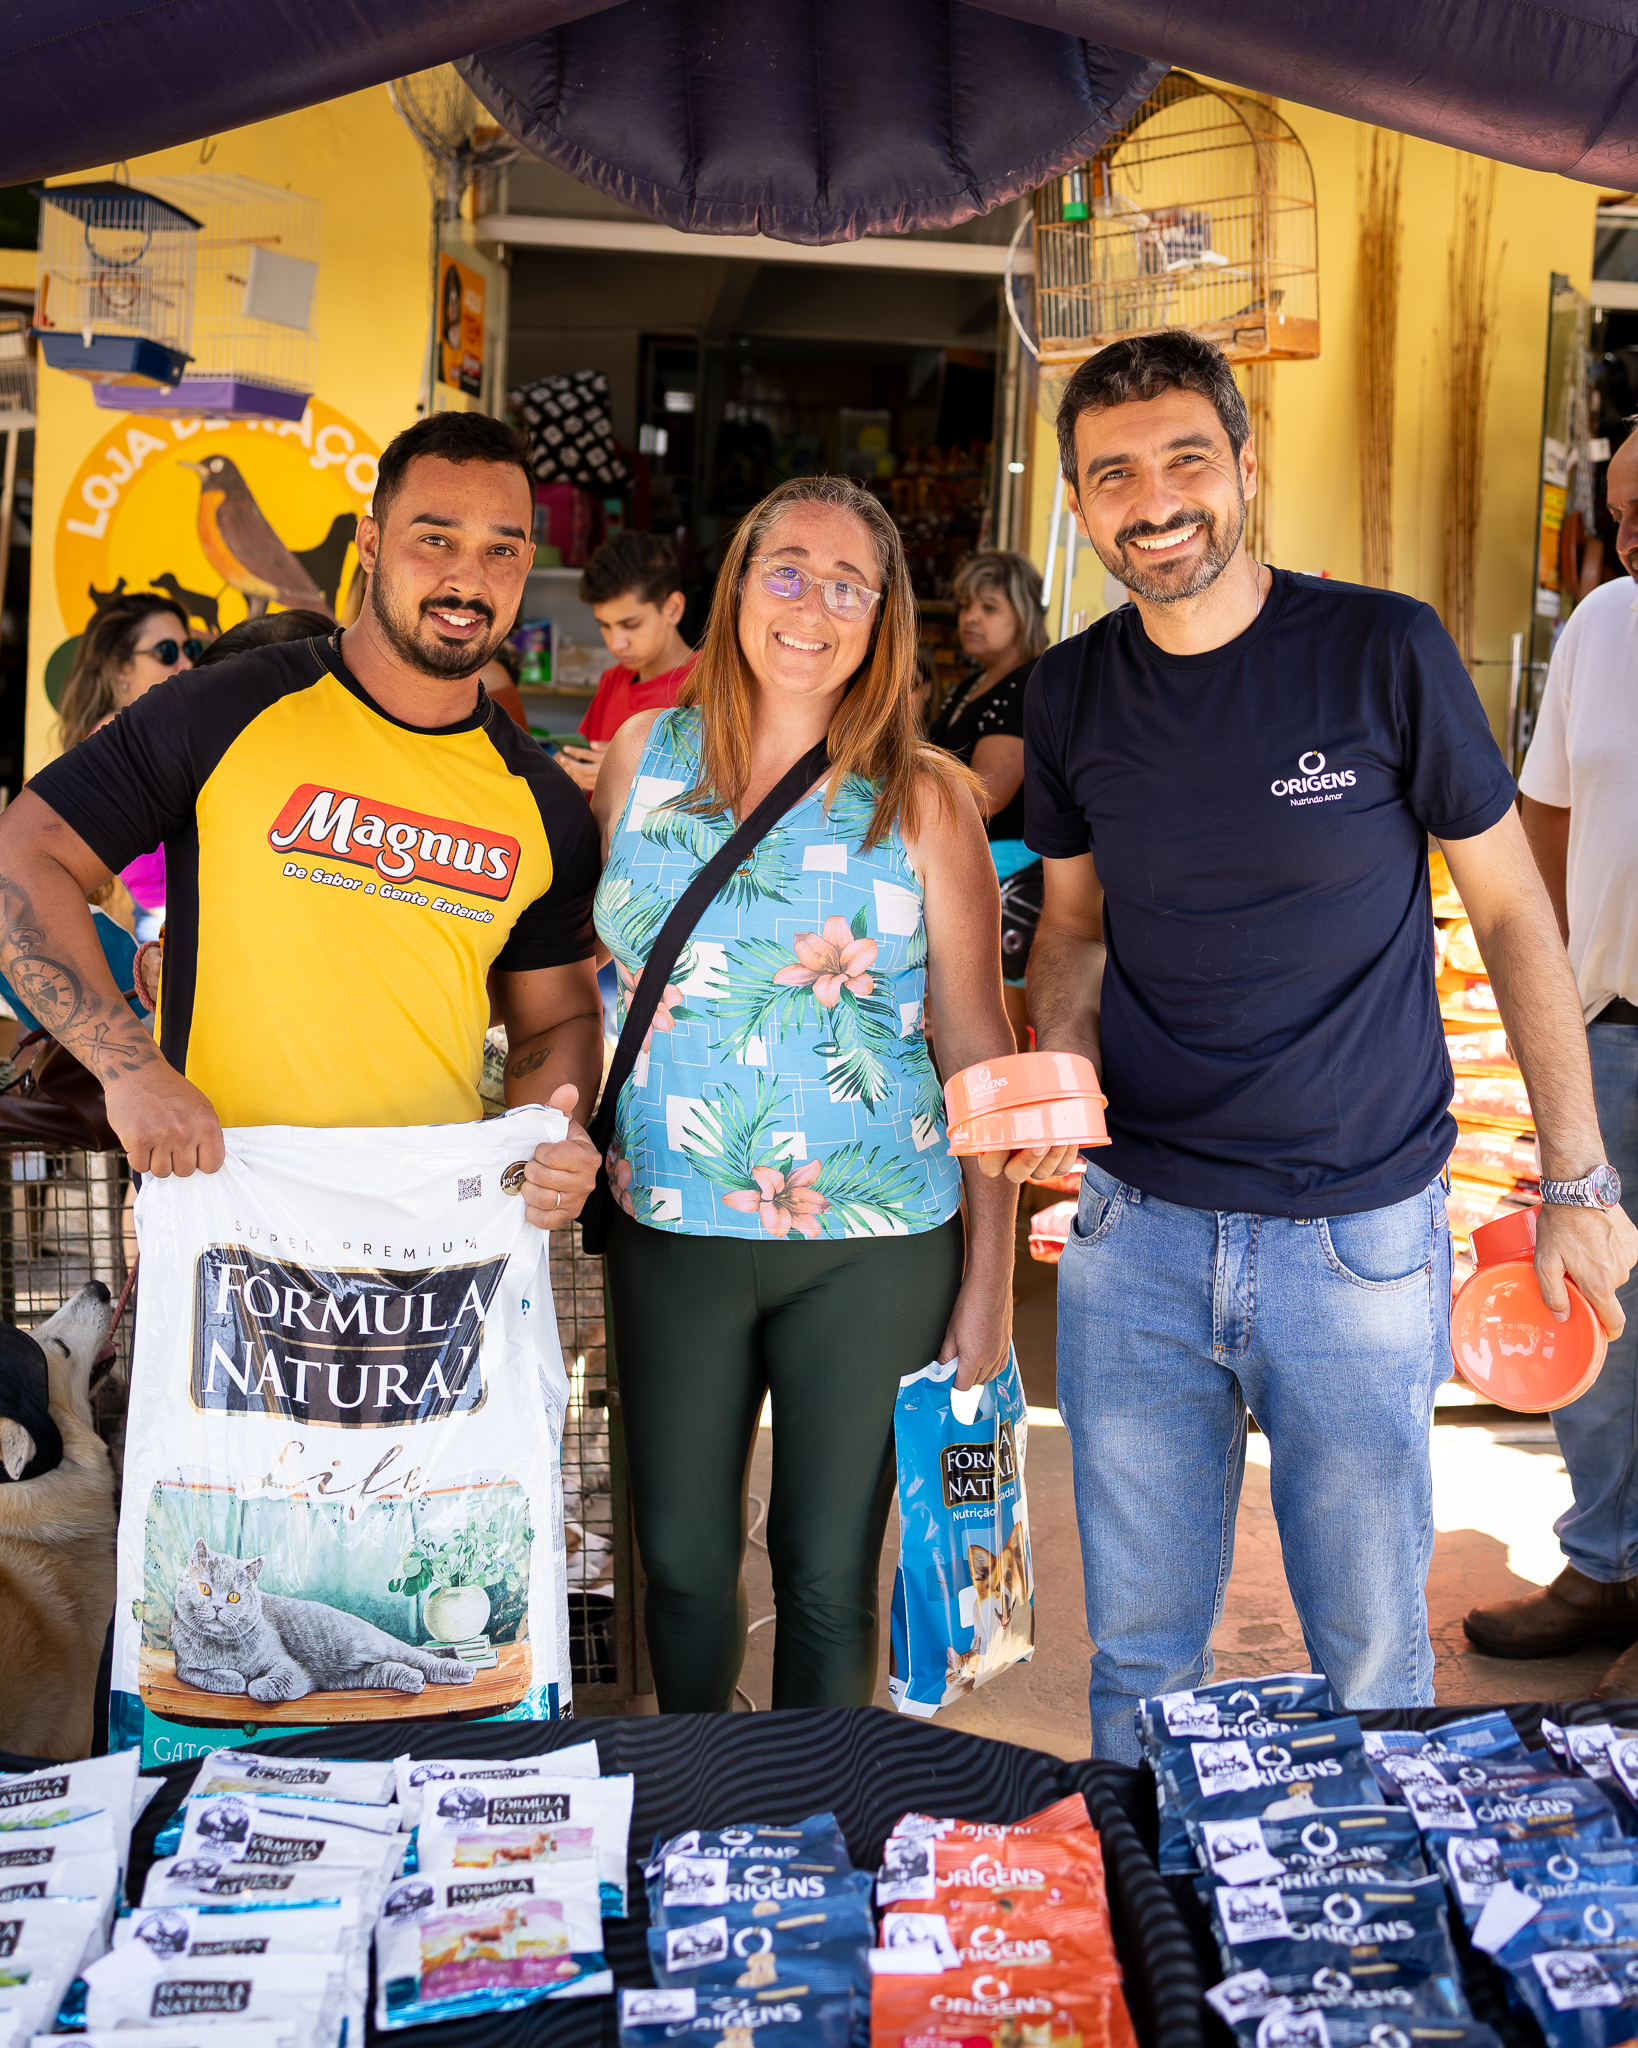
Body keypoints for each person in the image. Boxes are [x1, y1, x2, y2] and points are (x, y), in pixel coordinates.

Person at [997, 329, 1637, 1761]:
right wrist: (1064, 1063)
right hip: (1137, 1235)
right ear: (1078, 503)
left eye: (1184, 458)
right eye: (1113, 475)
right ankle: (1153, 1884)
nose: (1154, 501)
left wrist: (1577, 1180)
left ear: (1245, 466)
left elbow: (1511, 915)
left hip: (1356, 1240)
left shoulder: (1382, 649)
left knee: (1366, 1652)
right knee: (1142, 1654)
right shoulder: (1069, 692)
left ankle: (1374, 1895)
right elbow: (1076, 929)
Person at [589, 473, 1018, 1714]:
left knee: (828, 1571)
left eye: (848, 586)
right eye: (787, 571)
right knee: (679, 1564)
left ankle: (816, 1808)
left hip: (874, 1246)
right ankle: (701, 1793)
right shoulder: (641, 758)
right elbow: (592, 973)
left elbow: (978, 1048)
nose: (811, 607)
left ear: (883, 618)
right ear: (736, 587)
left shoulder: (928, 798)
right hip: (671, 1223)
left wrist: (991, 1281)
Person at [0, 412, 603, 1233]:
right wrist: (128, 1070)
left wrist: (548, 1140)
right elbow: (24, 854)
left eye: (501, 549)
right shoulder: (224, 709)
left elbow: (557, 1016)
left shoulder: (544, 802)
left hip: (430, 1241)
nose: (468, 580)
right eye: (434, 540)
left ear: (526, 563)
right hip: (225, 1217)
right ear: (371, 542)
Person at [1461, 429, 1638, 1660]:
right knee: (1598, 1303)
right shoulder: (1602, 626)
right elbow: (1546, 825)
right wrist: (1552, 1014)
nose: (1627, 539)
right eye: (1619, 512)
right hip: (1613, 1025)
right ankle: (1608, 1561)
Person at [927, 551, 1048, 1047]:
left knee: (999, 1010)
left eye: (989, 607)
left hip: (1008, 870)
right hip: (971, 861)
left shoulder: (1027, 683)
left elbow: (986, 795)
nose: (971, 618)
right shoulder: (973, 683)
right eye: (966, 606)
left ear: (1024, 614)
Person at [56, 595, 202, 944]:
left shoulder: (118, 733)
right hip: (167, 921)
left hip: (163, 918)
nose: (185, 662)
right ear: (121, 667)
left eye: (191, 648)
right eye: (167, 651)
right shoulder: (126, 736)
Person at [556, 531, 694, 794]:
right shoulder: (613, 680)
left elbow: (719, 794)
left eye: (630, 624)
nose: (616, 644)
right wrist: (569, 769)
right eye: (605, 626)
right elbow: (582, 765)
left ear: (673, 608)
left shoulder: (714, 683)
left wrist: (627, 776)